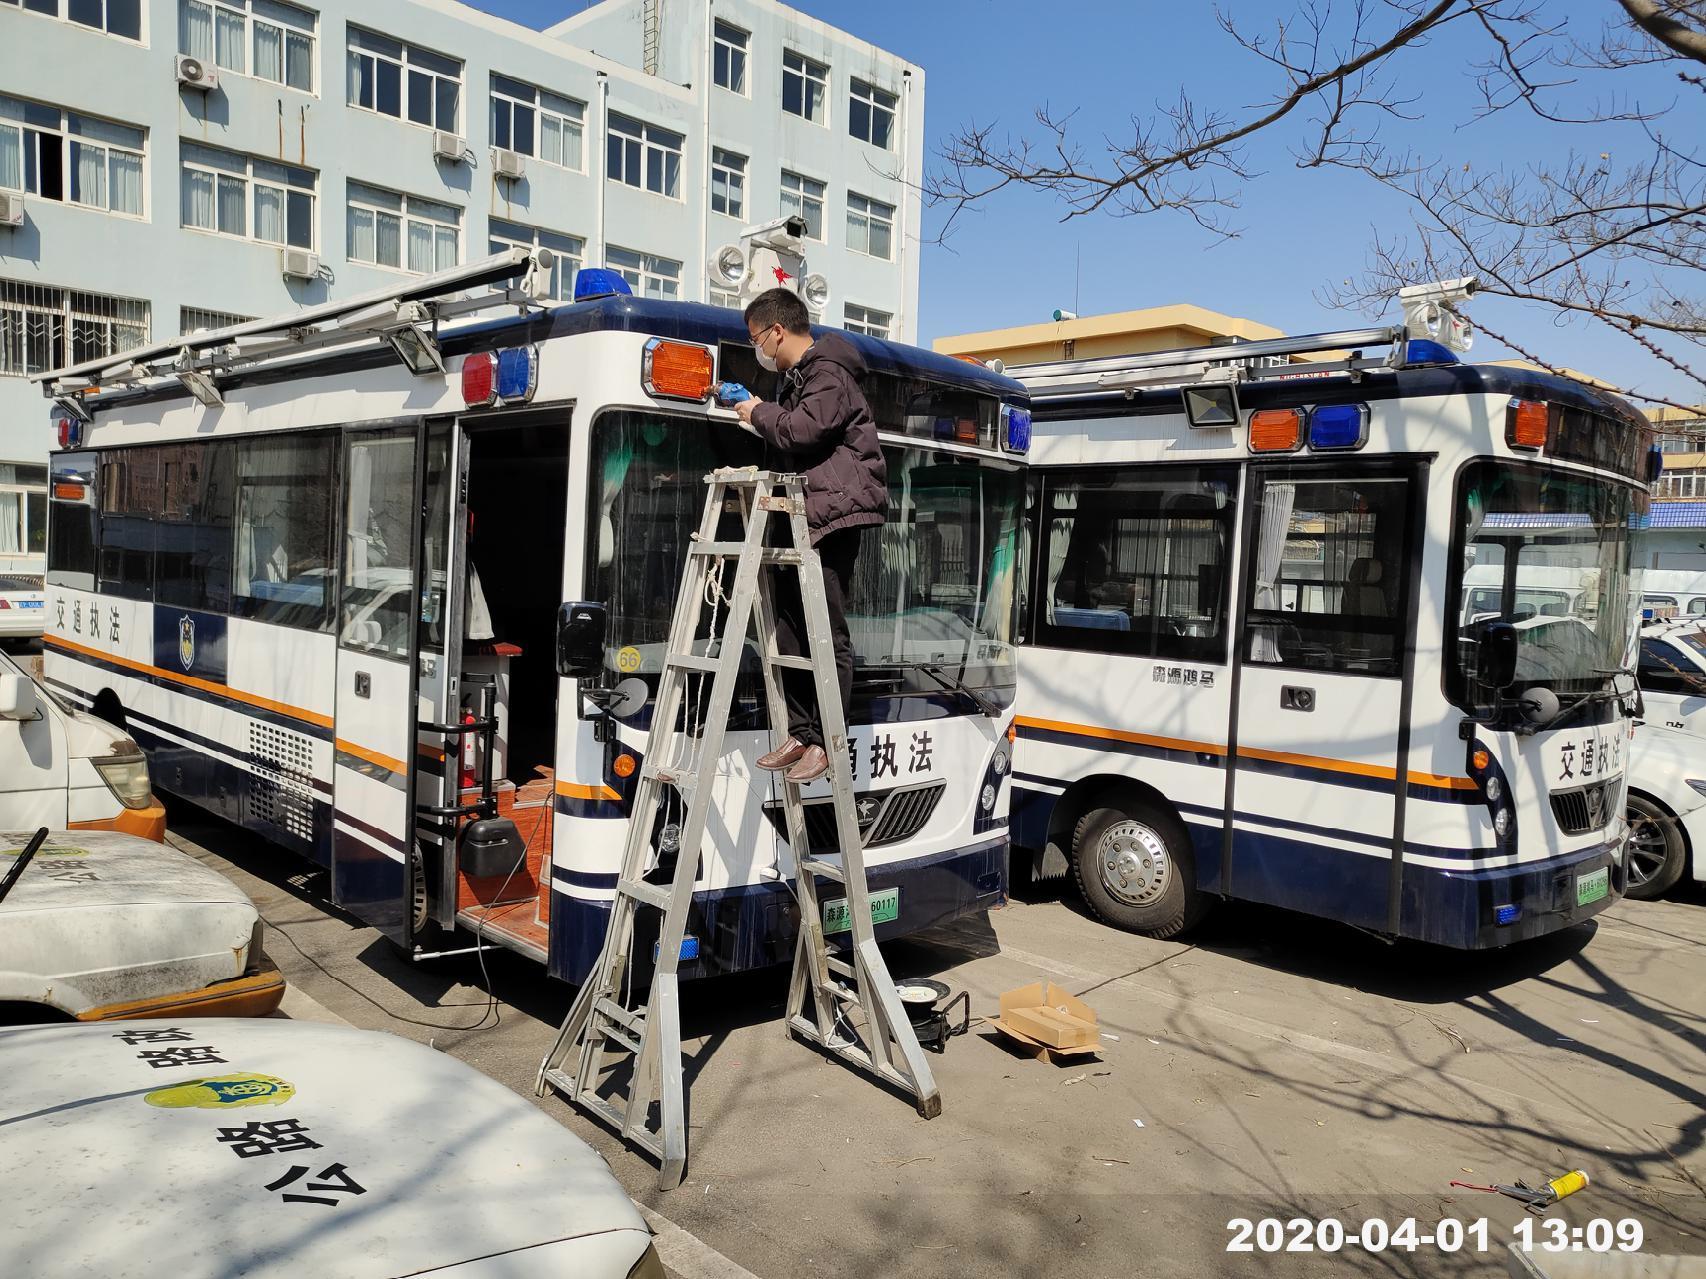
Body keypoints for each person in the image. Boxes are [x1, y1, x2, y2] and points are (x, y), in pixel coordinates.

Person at [734, 287, 886, 783]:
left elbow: (801, 432)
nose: (758, 348)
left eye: (757, 338)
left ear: (777, 331)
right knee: (789, 627)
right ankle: (801, 732)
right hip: (804, 514)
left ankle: (825, 738)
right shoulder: (798, 379)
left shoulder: (829, 373)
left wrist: (757, 411)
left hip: (835, 514)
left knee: (826, 630)